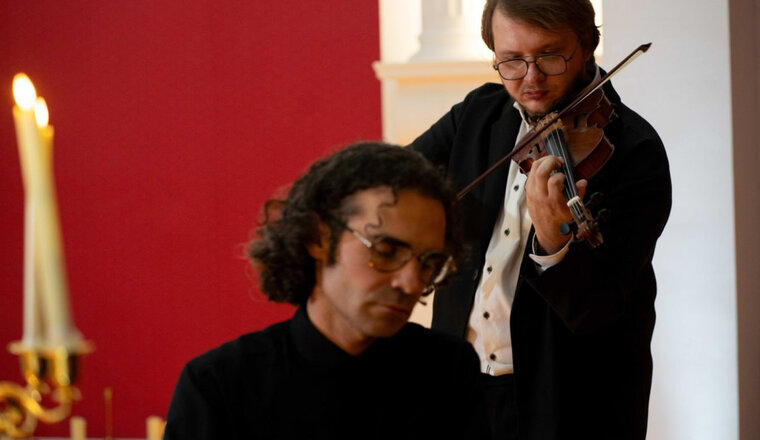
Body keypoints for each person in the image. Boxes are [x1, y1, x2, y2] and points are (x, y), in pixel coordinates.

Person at [409, 1, 672, 439]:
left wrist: (555, 245)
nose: (530, 78)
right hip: (463, 392)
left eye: (549, 56)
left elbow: (601, 314)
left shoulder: (633, 151)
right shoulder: (478, 114)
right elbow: (394, 177)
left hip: (569, 406)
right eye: (511, 60)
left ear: (587, 45)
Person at [163, 142, 488, 439]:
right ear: (318, 238)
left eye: (429, 262)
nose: (411, 283)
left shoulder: (448, 371)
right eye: (386, 251)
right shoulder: (220, 385)